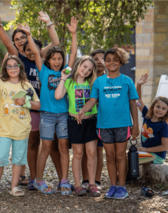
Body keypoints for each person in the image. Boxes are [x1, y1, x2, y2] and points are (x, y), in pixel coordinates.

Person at [0, 10, 63, 189]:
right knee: (31, 143)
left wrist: (48, 23)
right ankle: (33, 178)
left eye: (25, 39)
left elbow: (56, 43)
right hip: (27, 107)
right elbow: (8, 45)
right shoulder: (19, 58)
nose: (25, 46)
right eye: (19, 40)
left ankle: (61, 179)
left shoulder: (41, 58)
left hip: (46, 105)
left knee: (52, 145)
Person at [16, 17, 78, 195]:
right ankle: (39, 180)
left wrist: (74, 34)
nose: (57, 61)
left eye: (59, 58)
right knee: (46, 147)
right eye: (53, 59)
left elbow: (73, 54)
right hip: (47, 115)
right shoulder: (43, 70)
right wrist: (28, 35)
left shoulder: (66, 71)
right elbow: (35, 52)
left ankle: (64, 181)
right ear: (48, 60)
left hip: (64, 114)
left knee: (63, 146)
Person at [77, 48, 139, 199]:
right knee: (110, 156)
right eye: (108, 60)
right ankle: (113, 185)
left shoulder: (127, 81)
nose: (111, 63)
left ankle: (122, 187)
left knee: (120, 156)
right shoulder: (99, 81)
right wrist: (82, 110)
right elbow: (93, 100)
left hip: (123, 124)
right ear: (105, 62)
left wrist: (135, 124)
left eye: (115, 60)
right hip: (104, 125)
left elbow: (132, 104)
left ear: (121, 62)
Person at [0, 55, 40, 196]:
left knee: (18, 159)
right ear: (5, 69)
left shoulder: (26, 85)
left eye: (15, 65)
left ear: (20, 67)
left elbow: (38, 105)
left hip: (22, 129)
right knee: (1, 158)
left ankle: (14, 187)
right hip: (4, 129)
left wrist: (26, 102)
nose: (13, 68)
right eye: (9, 66)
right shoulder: (1, 83)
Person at [55, 55, 100, 197]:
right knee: (78, 154)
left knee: (92, 152)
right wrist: (63, 78)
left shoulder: (93, 83)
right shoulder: (69, 82)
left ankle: (92, 184)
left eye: (89, 69)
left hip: (91, 121)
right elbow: (58, 96)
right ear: (79, 65)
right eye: (84, 66)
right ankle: (78, 185)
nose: (86, 71)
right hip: (75, 122)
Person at [81, 49, 107, 190]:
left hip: (102, 119)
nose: (100, 61)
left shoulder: (109, 79)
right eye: (96, 58)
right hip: (87, 117)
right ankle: (85, 179)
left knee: (98, 150)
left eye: (103, 58)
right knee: (86, 150)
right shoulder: (86, 78)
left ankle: (96, 181)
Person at [136, 73, 168, 164]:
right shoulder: (147, 115)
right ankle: (126, 178)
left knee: (133, 158)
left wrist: (147, 149)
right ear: (153, 106)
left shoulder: (163, 126)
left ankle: (127, 178)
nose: (160, 110)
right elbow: (139, 99)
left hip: (156, 156)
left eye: (163, 109)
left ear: (166, 112)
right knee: (127, 156)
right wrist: (138, 85)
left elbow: (165, 147)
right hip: (146, 152)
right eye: (158, 106)